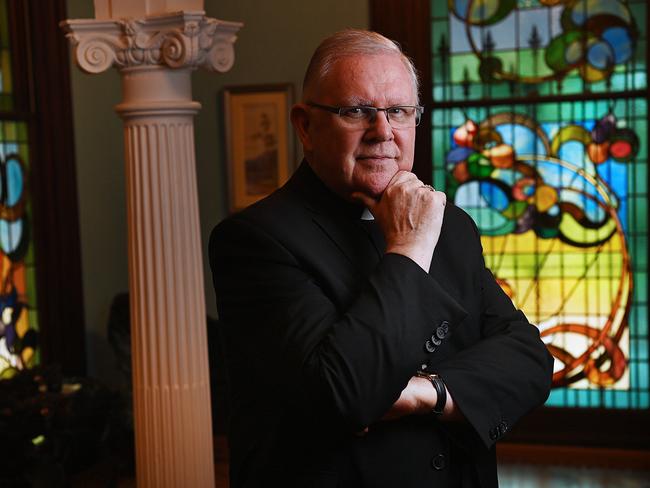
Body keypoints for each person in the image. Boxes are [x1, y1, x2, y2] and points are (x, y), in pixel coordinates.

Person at [209, 29, 553, 488]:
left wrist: (421, 394)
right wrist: (409, 248)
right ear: (305, 126)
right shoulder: (255, 240)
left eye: (399, 111)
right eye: (356, 111)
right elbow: (342, 394)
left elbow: (529, 360)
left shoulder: (451, 226)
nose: (383, 132)